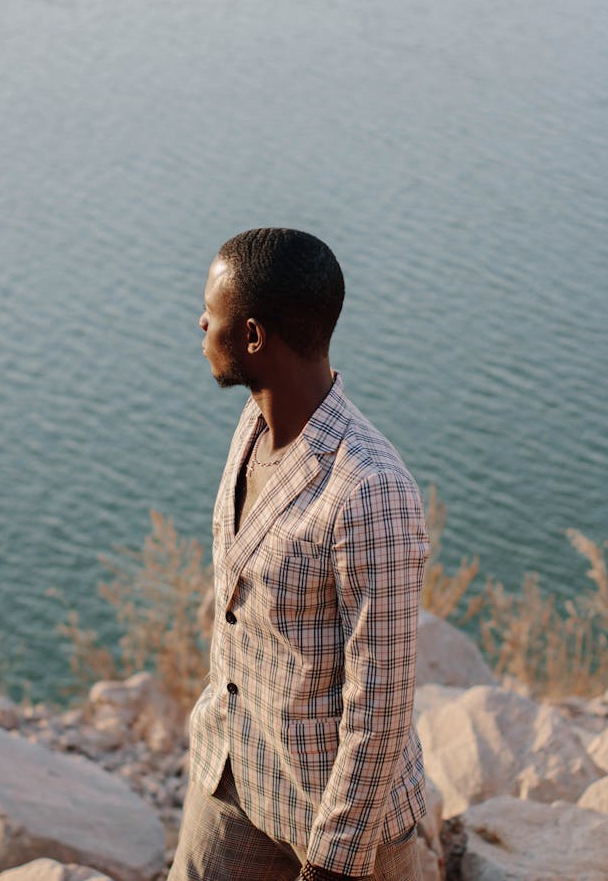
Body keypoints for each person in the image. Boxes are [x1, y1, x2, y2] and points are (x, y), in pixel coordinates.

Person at [169, 228, 428, 881]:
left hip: (340, 820)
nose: (200, 321)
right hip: (233, 772)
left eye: (213, 312)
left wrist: (334, 865)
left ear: (253, 337)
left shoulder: (371, 491)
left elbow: (383, 704)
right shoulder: (256, 424)